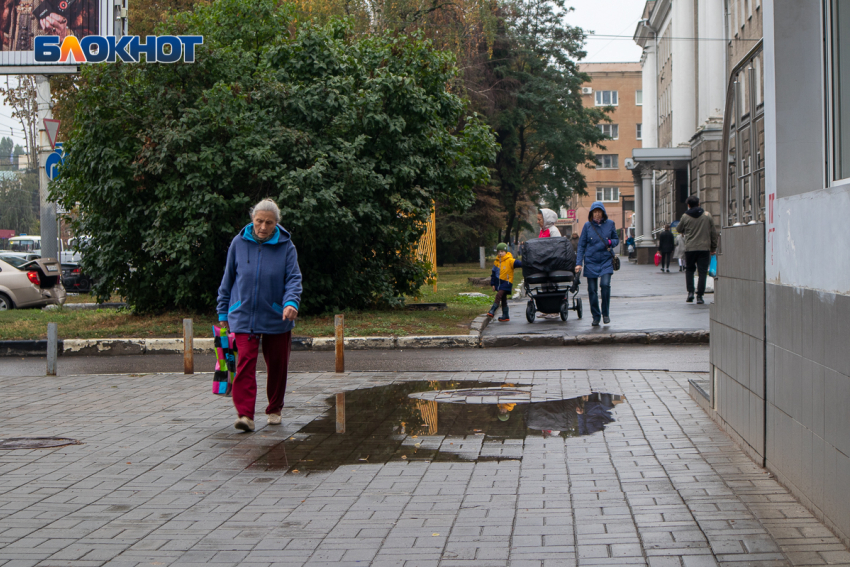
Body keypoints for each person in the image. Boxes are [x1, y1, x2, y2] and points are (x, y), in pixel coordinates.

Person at [217, 198, 303, 432]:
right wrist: (223, 311)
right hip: (243, 315)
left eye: (268, 222)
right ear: (252, 220)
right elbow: (228, 279)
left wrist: (290, 303)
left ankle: (274, 408)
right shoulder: (238, 242)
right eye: (259, 221)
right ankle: (245, 415)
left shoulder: (286, 246)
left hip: (277, 315)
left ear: (276, 223)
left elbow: (294, 279)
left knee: (277, 364)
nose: (263, 227)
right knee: (244, 364)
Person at [575, 202, 619, 326]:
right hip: (591, 261)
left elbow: (616, 240)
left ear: (603, 213)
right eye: (595, 212)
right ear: (591, 214)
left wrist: (610, 242)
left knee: (605, 285)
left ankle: (605, 313)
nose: (597, 214)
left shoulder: (610, 224)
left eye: (599, 212)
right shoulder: (587, 226)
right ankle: (596, 316)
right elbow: (581, 246)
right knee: (592, 290)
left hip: (605, 261)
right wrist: (578, 263)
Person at [677, 195, 718, 304]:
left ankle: (690, 293)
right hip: (704, 248)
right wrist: (713, 248)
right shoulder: (707, 215)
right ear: (699, 204)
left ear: (688, 205)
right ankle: (700, 296)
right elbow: (714, 233)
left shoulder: (685, 216)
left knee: (689, 270)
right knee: (702, 272)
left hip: (690, 248)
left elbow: (679, 228)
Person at [489, 242, 522, 322]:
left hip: (506, 282)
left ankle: (492, 310)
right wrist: (493, 284)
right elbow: (493, 274)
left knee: (498, 295)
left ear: (505, 252)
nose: (500, 253)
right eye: (499, 252)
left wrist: (525, 263)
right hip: (499, 283)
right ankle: (505, 315)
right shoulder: (496, 262)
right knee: (503, 299)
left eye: (502, 252)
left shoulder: (510, 260)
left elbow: (518, 263)